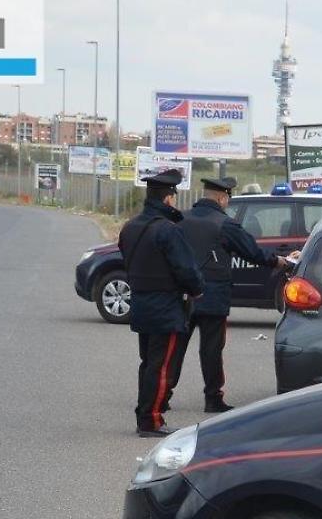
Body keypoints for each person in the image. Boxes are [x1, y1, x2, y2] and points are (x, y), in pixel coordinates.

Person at [172, 177, 292, 413]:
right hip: (212, 297)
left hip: (182, 296)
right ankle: (212, 398)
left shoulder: (179, 220)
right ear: (222, 197)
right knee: (211, 350)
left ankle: (163, 394)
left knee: (174, 348)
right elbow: (252, 252)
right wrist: (279, 262)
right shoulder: (224, 224)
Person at [118, 169, 204, 437]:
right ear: (168, 199)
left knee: (148, 363)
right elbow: (186, 270)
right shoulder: (168, 230)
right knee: (161, 365)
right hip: (166, 306)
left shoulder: (130, 227)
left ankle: (145, 415)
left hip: (141, 304)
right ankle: (151, 421)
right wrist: (196, 290)